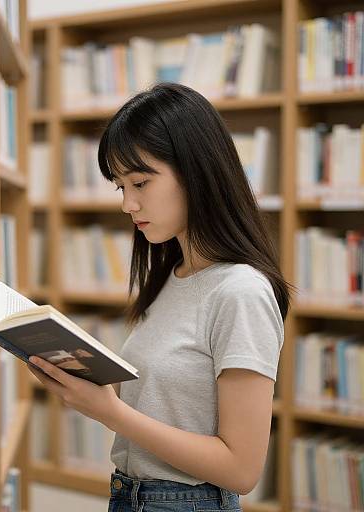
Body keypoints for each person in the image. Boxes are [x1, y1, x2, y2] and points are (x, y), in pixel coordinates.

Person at [28, 82, 291, 512]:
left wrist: (109, 412)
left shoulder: (241, 292)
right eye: (120, 187)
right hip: (129, 495)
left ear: (197, 172)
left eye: (140, 182)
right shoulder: (173, 275)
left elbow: (241, 471)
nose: (127, 204)